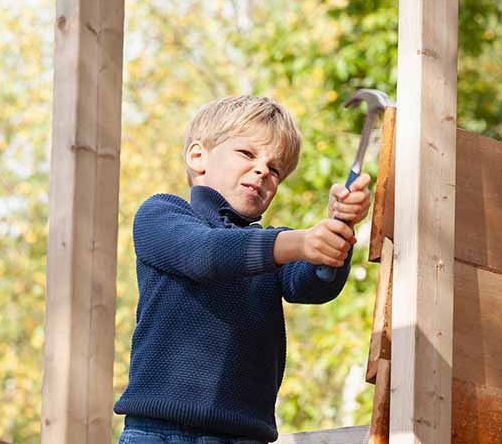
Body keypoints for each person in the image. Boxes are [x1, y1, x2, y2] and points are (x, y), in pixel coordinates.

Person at [113, 95, 372, 443]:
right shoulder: (162, 214)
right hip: (160, 433)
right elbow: (203, 254)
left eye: (276, 169)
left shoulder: (272, 247)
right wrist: (301, 242)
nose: (263, 169)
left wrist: (339, 226)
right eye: (248, 154)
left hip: (245, 436)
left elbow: (316, 284)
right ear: (198, 156)